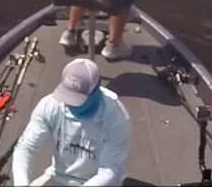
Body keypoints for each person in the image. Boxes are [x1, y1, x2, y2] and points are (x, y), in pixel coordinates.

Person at [11, 58, 131, 187]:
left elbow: (109, 170)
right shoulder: (50, 105)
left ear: (96, 90)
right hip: (58, 176)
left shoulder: (117, 117)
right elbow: (26, 148)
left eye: (77, 98)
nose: (69, 103)